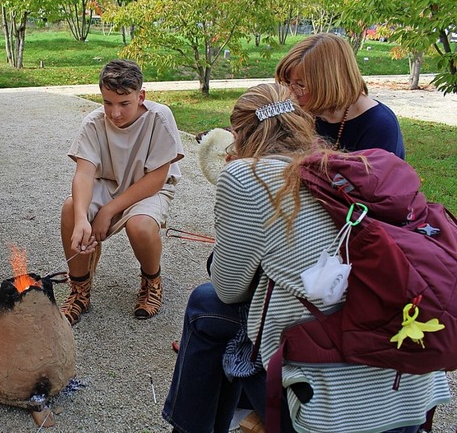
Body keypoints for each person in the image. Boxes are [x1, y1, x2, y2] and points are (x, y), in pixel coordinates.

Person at [162, 83, 450, 432]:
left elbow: (228, 289)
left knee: (206, 303)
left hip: (325, 408)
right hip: (412, 388)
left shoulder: (246, 175)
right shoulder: (343, 167)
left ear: (238, 135)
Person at [60, 59, 185, 325]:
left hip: (149, 188)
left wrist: (108, 210)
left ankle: (152, 280)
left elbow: (156, 180)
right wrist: (82, 218)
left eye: (124, 103)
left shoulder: (159, 117)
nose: (114, 113)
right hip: (107, 183)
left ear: (141, 96)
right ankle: (79, 289)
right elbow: (84, 173)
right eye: (107, 103)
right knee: (71, 208)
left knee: (140, 224)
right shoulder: (93, 123)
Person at [275, 32, 405, 159]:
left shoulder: (379, 126)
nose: (291, 93)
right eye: (287, 83)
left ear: (330, 83)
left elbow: (375, 179)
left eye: (301, 85)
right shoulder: (304, 112)